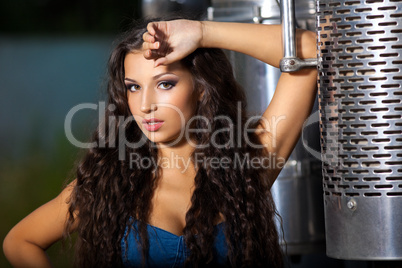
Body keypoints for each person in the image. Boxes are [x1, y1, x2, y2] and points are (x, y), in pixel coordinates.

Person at [3, 16, 317, 268]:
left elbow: (310, 49)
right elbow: (20, 242)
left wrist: (201, 32)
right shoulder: (109, 182)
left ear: (203, 89)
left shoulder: (247, 165)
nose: (145, 104)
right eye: (134, 87)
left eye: (165, 83)